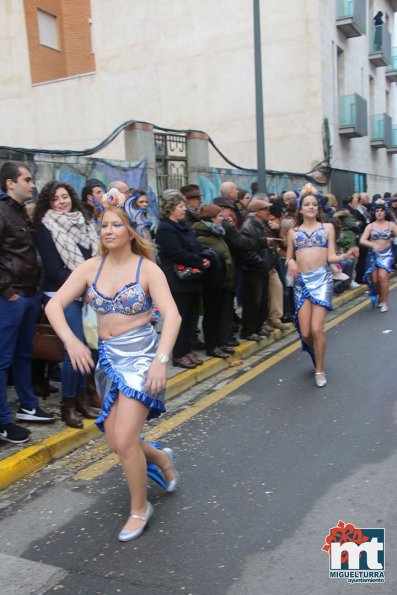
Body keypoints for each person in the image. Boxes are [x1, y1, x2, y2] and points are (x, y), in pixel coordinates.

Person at [45, 187, 181, 541]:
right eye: (103, 224)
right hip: (108, 359)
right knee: (118, 441)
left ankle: (140, 509)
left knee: (124, 437)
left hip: (142, 357)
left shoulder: (147, 269)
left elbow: (173, 316)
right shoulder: (91, 268)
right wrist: (72, 341)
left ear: (131, 230)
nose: (107, 230)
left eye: (116, 225)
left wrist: (160, 363)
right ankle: (162, 460)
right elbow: (53, 306)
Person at [33, 181, 100, 428]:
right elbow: (54, 270)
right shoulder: (46, 227)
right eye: (55, 199)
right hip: (60, 296)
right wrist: (85, 286)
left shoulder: (85, 223)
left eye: (64, 196)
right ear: (48, 204)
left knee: (91, 348)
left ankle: (82, 398)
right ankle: (68, 405)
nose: (62, 202)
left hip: (89, 295)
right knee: (75, 352)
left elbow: (95, 259)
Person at [0, 162, 55, 444]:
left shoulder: (20, 212)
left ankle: (28, 406)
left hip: (29, 295)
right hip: (12, 299)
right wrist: (8, 291)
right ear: (10, 183)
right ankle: (2, 423)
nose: (32, 185)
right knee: (3, 360)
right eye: (27, 179)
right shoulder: (1, 211)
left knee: (24, 355)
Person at [286, 184, 359, 387]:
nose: (310, 207)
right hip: (301, 283)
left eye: (314, 204)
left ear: (318, 208)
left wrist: (346, 255)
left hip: (322, 280)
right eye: (306, 204)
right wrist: (290, 262)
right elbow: (288, 257)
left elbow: (331, 256)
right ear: (300, 209)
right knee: (306, 332)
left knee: (317, 329)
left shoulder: (327, 228)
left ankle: (319, 369)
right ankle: (316, 351)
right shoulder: (293, 231)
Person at [155, 190, 210, 368]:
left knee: (191, 318)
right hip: (177, 280)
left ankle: (187, 351)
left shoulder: (183, 225)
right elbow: (176, 253)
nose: (184, 209)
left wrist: (204, 255)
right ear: (171, 208)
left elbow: (194, 245)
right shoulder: (165, 229)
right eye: (180, 206)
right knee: (179, 318)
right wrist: (200, 261)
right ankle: (178, 354)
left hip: (191, 278)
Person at [192, 204, 235, 358]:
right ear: (210, 218)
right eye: (219, 216)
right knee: (211, 316)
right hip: (212, 282)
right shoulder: (203, 235)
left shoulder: (216, 233)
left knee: (219, 314)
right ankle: (212, 346)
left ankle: (220, 343)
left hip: (222, 280)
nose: (221, 219)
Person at [359, 201, 397, 312]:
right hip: (373, 255)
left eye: (381, 211)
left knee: (382, 277)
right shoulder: (370, 226)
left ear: (385, 212)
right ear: (374, 213)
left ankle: (385, 302)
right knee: (375, 280)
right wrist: (372, 244)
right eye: (377, 211)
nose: (379, 213)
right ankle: (380, 296)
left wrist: (393, 240)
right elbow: (362, 240)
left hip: (386, 254)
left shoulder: (391, 225)